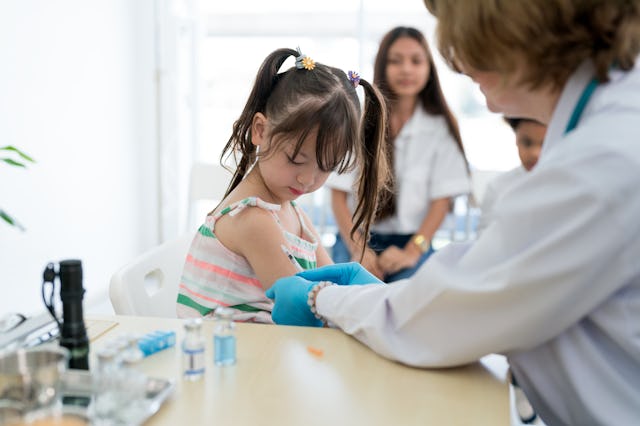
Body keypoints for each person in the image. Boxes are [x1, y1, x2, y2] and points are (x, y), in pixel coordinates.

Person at [265, 1, 640, 424]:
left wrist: (322, 297)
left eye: (454, 38)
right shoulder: (600, 128)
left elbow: (444, 317)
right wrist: (360, 264)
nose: (458, 63)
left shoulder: (605, 158)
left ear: (511, 31)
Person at [177, 48, 388, 322]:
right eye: (296, 160)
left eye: (326, 166)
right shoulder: (253, 219)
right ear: (261, 131)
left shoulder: (290, 210)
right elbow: (304, 310)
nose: (308, 179)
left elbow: (332, 289)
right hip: (227, 356)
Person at [327, 26, 470, 282]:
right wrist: (359, 249)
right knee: (347, 292)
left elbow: (441, 202)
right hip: (356, 237)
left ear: (429, 69)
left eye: (416, 61)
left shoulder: (440, 128)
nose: (406, 69)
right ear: (382, 66)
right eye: (396, 61)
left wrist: (413, 252)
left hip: (413, 240)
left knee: (409, 298)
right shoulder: (360, 120)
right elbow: (338, 196)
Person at [477, 117, 547, 234]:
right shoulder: (498, 187)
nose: (534, 153)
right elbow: (483, 236)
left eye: (544, 144)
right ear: (516, 140)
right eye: (527, 143)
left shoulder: (568, 183)